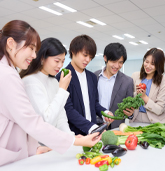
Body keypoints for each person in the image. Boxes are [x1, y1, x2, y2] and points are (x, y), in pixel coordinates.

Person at [0, 20, 101, 166]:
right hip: (10, 153)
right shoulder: (8, 75)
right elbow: (33, 122)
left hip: (30, 150)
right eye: (31, 48)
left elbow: (60, 117)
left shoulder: (10, 72)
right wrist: (75, 141)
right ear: (11, 43)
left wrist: (71, 138)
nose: (34, 55)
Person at [56, 35, 114, 136]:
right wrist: (91, 127)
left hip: (93, 132)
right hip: (73, 135)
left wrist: (105, 113)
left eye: (90, 57)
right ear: (73, 51)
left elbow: (94, 103)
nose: (87, 60)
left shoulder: (92, 77)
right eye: (85, 55)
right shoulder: (63, 76)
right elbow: (68, 110)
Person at [20, 37, 74, 136]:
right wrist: (62, 89)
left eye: (62, 61)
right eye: (57, 61)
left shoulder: (54, 81)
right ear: (42, 58)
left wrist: (70, 137)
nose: (60, 65)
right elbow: (46, 120)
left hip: (54, 143)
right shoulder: (30, 81)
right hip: (38, 146)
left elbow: (61, 117)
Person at [94, 43, 134, 129]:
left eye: (120, 62)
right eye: (114, 61)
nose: (116, 66)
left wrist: (130, 114)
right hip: (94, 125)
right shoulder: (94, 76)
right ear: (105, 58)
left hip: (115, 128)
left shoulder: (128, 81)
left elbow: (130, 109)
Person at [130, 48, 165, 123]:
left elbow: (160, 109)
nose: (148, 66)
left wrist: (144, 97)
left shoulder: (163, 81)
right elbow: (129, 99)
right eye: (146, 62)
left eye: (153, 64)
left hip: (156, 121)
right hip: (136, 119)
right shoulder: (135, 76)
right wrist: (137, 94)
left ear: (159, 65)